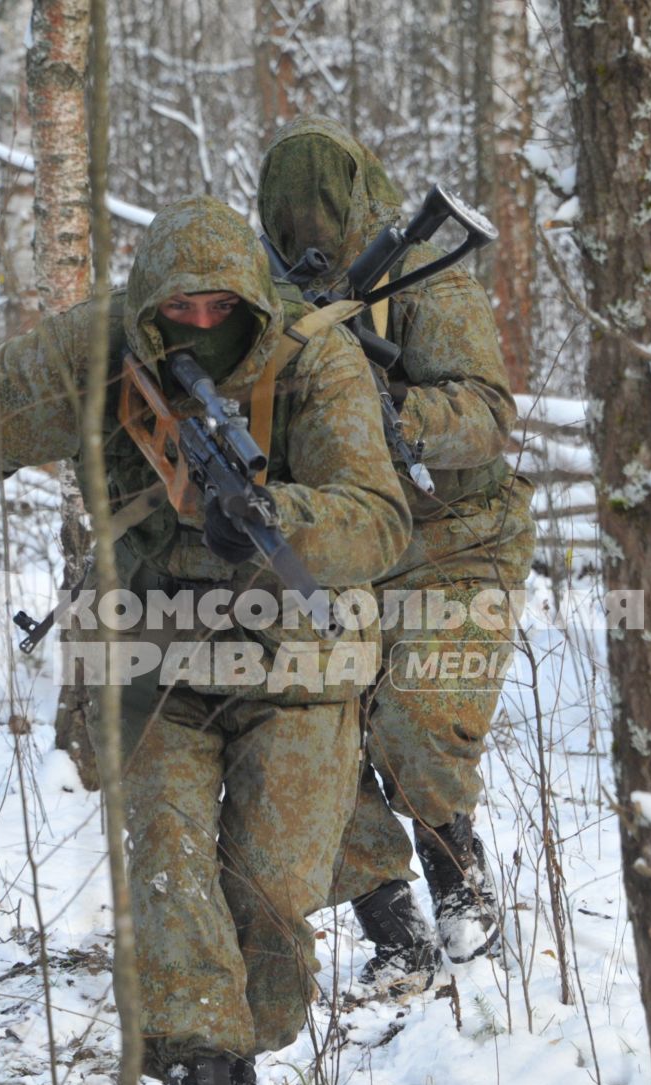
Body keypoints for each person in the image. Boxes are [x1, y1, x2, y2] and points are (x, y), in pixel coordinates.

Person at [0, 196, 409, 1085]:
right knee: (168, 868)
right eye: (176, 309)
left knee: (271, 904)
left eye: (217, 308)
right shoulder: (97, 352)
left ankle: (238, 1048)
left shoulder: (314, 363)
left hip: (298, 662)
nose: (198, 323)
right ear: (147, 307)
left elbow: (376, 517)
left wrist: (279, 519)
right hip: (150, 660)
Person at [257, 117, 536, 989]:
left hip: (462, 541)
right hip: (351, 548)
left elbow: (489, 414)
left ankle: (461, 880)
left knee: (414, 716)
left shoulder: (420, 284)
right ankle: (391, 924)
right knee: (302, 730)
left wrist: (394, 417)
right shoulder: (271, 302)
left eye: (320, 227)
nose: (307, 245)